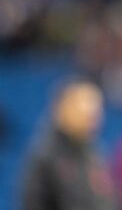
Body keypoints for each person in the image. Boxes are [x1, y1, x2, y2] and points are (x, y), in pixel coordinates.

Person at [21, 79, 116, 210]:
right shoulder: (46, 154)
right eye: (88, 110)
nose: (96, 118)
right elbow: (33, 202)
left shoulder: (95, 153)